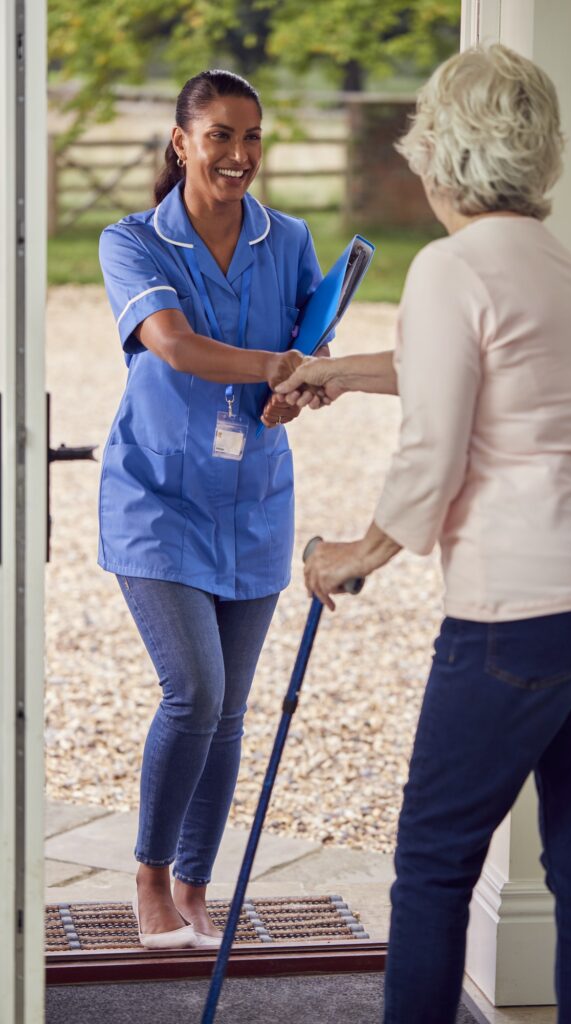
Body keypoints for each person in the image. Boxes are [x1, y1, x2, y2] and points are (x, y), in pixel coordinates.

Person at [276, 45, 571, 1024]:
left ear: (439, 149)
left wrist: (356, 555)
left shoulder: (450, 266)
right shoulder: (558, 264)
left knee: (434, 861)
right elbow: (465, 364)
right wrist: (334, 372)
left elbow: (433, 450)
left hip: (523, 614)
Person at [97, 69, 320, 949]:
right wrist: (274, 367)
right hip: (158, 500)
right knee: (193, 690)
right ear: (181, 142)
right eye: (220, 134)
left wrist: (300, 386)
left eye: (251, 135)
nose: (239, 153)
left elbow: (312, 345)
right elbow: (175, 344)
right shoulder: (132, 241)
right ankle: (150, 875)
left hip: (254, 501)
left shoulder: (289, 239)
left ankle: (196, 882)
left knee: (229, 711)